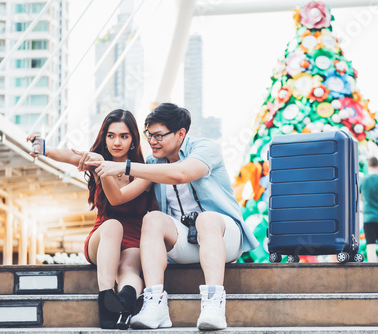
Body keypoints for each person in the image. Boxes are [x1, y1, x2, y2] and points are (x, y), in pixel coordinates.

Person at [88, 103, 259, 330]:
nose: (152, 141)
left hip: (224, 237)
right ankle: (155, 304)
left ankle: (213, 305)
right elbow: (119, 197)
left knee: (206, 219)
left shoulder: (205, 149)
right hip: (186, 242)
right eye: (149, 135)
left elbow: (181, 173)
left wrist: (125, 168)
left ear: (181, 134)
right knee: (152, 219)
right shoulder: (152, 164)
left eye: (159, 135)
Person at [27, 109, 153, 329]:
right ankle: (106, 298)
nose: (117, 142)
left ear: (133, 140)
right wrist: (42, 147)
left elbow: (117, 199)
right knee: (112, 225)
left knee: (129, 270)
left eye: (124, 136)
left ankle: (125, 301)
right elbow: (69, 155)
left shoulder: (143, 172)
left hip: (133, 238)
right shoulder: (97, 161)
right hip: (102, 238)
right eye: (111, 135)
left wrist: (101, 166)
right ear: (104, 137)